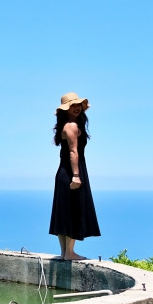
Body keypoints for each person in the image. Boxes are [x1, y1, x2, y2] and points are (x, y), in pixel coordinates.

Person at [49, 92, 100, 259]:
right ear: (66, 109)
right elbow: (73, 152)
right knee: (74, 208)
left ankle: (65, 253)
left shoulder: (68, 125)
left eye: (78, 105)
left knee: (64, 210)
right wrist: (77, 175)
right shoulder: (71, 126)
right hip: (72, 171)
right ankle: (69, 252)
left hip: (64, 172)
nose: (76, 108)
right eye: (72, 106)